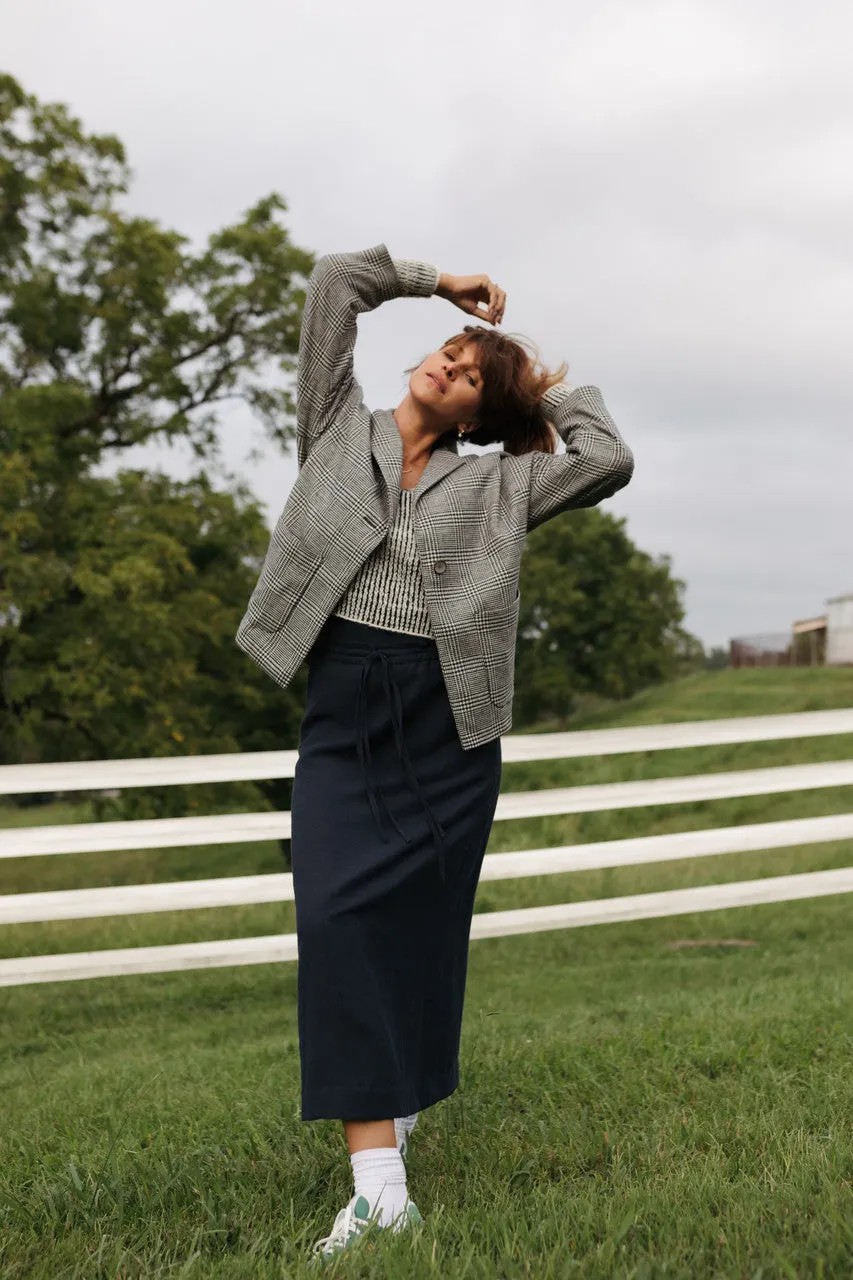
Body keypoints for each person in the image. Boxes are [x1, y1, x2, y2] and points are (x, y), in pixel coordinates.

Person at [235, 244, 634, 1259]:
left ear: (477, 413)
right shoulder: (336, 427)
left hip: (448, 724)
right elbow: (332, 282)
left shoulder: (503, 486)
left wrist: (536, 381)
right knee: (332, 917)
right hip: (344, 713)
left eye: (469, 374)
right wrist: (435, 283)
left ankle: (394, 1108)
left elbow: (606, 457)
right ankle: (379, 1187)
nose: (448, 366)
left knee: (420, 929)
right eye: (450, 352)